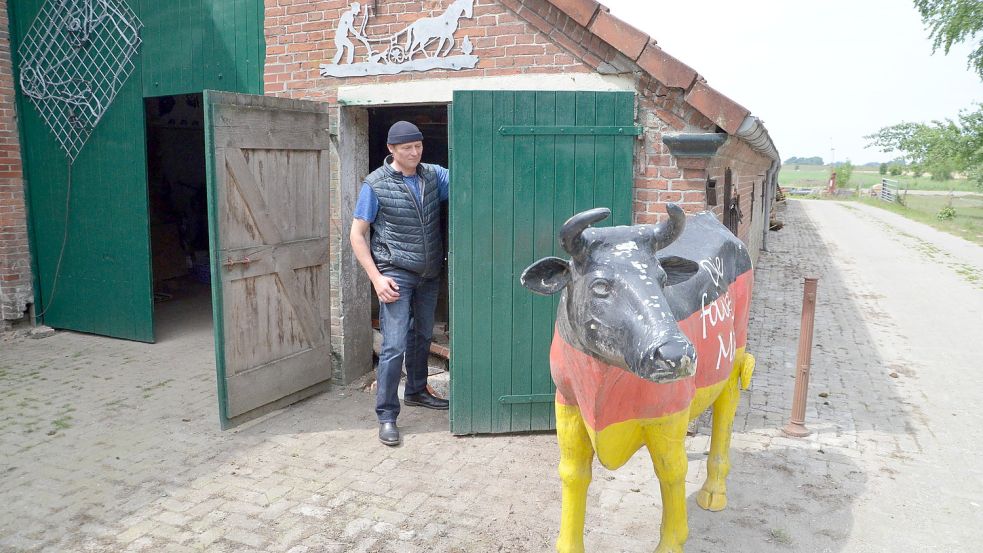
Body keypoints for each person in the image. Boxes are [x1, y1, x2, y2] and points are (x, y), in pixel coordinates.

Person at [350, 121, 450, 446]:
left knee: (422, 334)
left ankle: (418, 391)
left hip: (428, 272)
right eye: (408, 148)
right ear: (392, 150)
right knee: (394, 345)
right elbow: (357, 235)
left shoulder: (432, 175)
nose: (415, 152)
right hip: (394, 273)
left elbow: (471, 177)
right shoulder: (375, 185)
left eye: (418, 145)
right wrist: (376, 278)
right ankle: (387, 415)